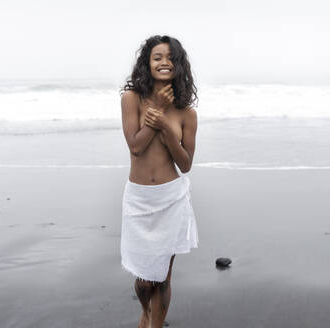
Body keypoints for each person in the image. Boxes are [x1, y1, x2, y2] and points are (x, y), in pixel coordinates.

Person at [119, 35, 199, 328]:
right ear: (147, 63)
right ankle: (145, 311)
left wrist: (166, 124)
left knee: (163, 275)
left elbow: (186, 164)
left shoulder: (188, 113)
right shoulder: (131, 99)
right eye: (157, 57)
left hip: (171, 198)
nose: (164, 62)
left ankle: (154, 326)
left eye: (170, 58)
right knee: (143, 276)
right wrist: (159, 110)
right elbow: (136, 147)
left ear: (178, 66)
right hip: (139, 199)